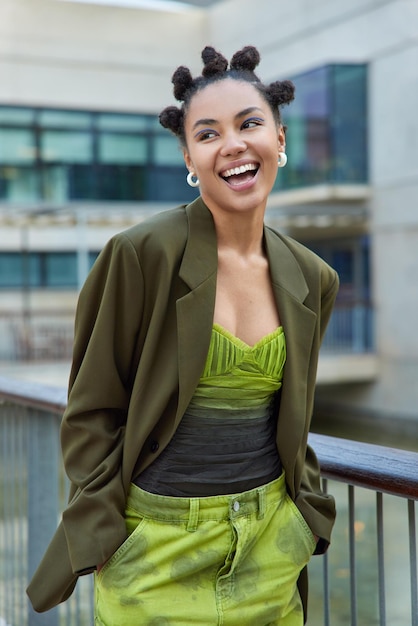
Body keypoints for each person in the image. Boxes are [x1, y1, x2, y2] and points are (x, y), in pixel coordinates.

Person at [27, 45, 339, 625]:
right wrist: (110, 533)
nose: (234, 144)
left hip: (269, 548)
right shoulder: (141, 255)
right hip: (153, 551)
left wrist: (307, 516)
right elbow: (91, 408)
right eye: (208, 133)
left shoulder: (313, 277)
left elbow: (296, 411)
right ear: (191, 157)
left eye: (250, 124)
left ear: (280, 139)